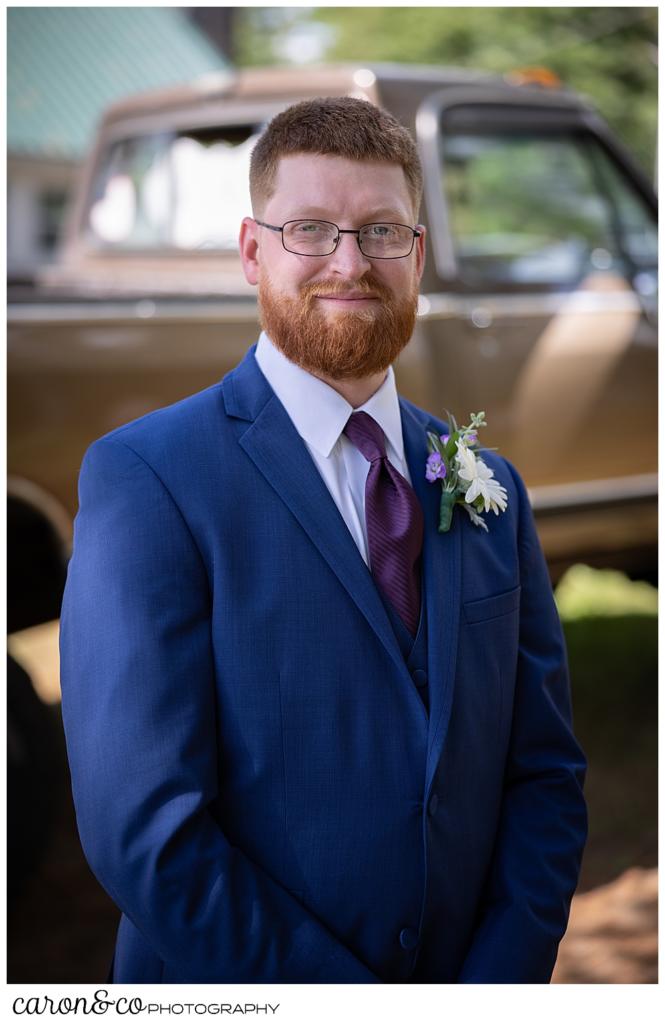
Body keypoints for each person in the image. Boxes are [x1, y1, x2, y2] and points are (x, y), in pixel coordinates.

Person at [60, 96, 587, 984]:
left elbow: (543, 773)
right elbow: (145, 830)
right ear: (251, 251)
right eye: (310, 229)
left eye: (381, 231)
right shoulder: (146, 480)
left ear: (416, 255)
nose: (350, 263)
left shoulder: (490, 489)